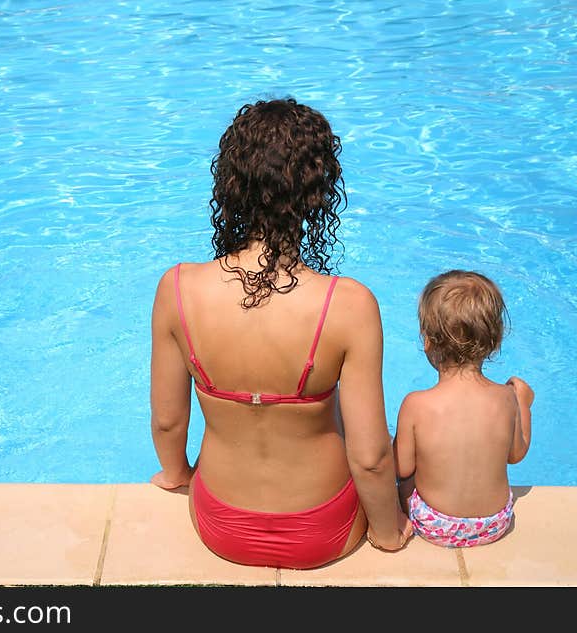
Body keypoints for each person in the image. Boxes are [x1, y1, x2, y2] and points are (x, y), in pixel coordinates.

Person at [149, 98, 411, 569]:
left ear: (230, 184)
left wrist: (176, 474)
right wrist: (389, 533)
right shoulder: (349, 304)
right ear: (319, 192)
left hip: (220, 524)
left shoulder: (177, 289)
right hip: (325, 528)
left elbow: (169, 422)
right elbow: (371, 457)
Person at [393, 270, 534, 548]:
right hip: (494, 523)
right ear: (495, 341)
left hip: (434, 524)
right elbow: (516, 454)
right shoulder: (506, 398)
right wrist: (524, 405)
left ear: (428, 341)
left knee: (403, 479)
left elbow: (400, 467)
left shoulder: (416, 404)